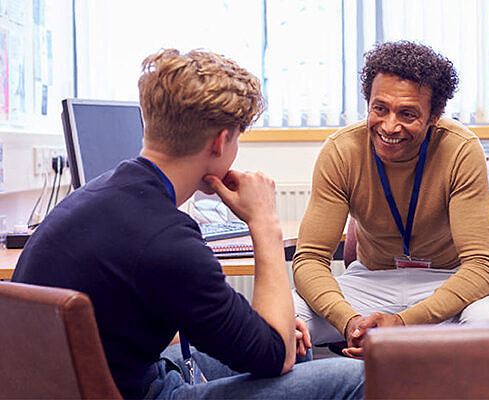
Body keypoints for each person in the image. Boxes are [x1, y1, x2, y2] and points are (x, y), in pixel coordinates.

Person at [12, 49, 363, 399]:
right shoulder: (167, 240)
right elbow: (276, 357)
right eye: (238, 138)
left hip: (101, 380)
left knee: (293, 343)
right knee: (358, 376)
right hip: (142, 392)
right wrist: (264, 223)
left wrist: (266, 333)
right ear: (220, 141)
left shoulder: (96, 195)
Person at [292, 40, 489, 358]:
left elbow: (482, 266)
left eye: (407, 114)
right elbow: (310, 260)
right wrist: (350, 322)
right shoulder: (341, 150)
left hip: (446, 281)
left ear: (434, 115)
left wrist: (404, 322)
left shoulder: (461, 149)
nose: (390, 126)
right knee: (283, 318)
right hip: (371, 282)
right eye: (379, 108)